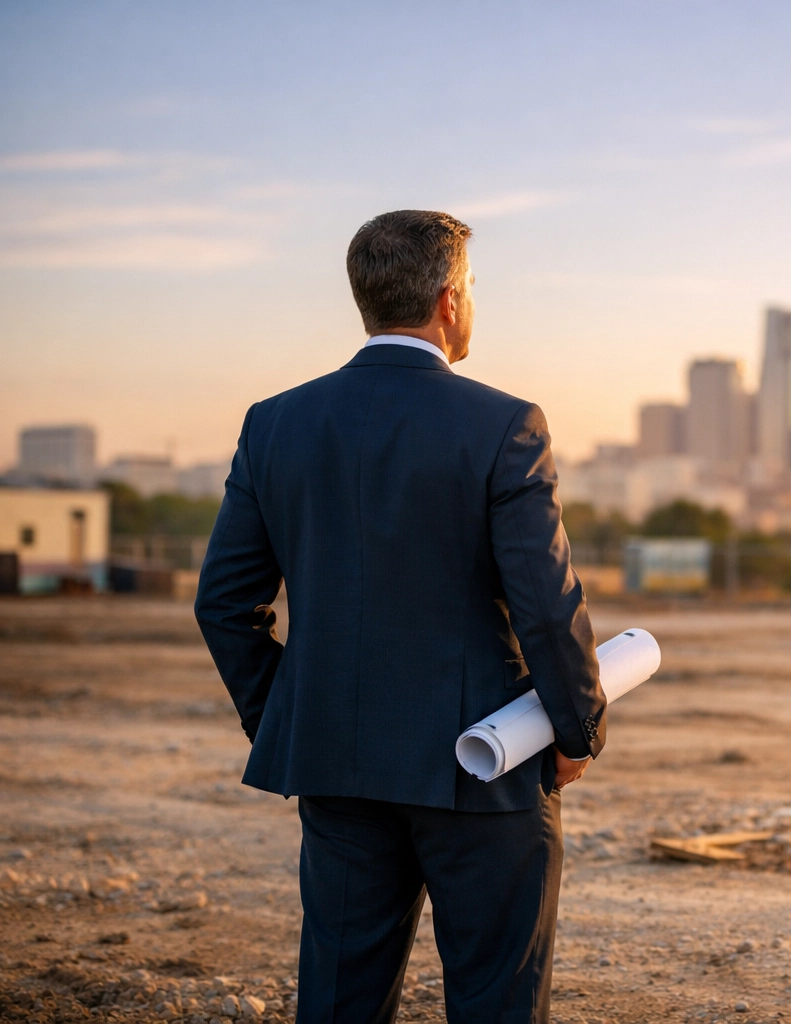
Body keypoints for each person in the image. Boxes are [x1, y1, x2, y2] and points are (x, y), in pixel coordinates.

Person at [194, 210, 606, 1023]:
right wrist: (576, 727)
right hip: (484, 765)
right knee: (496, 998)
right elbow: (545, 603)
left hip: (336, 761)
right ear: (450, 299)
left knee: (339, 1000)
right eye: (473, 287)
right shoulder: (505, 424)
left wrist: (287, 717)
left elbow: (222, 601)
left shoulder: (274, 422)